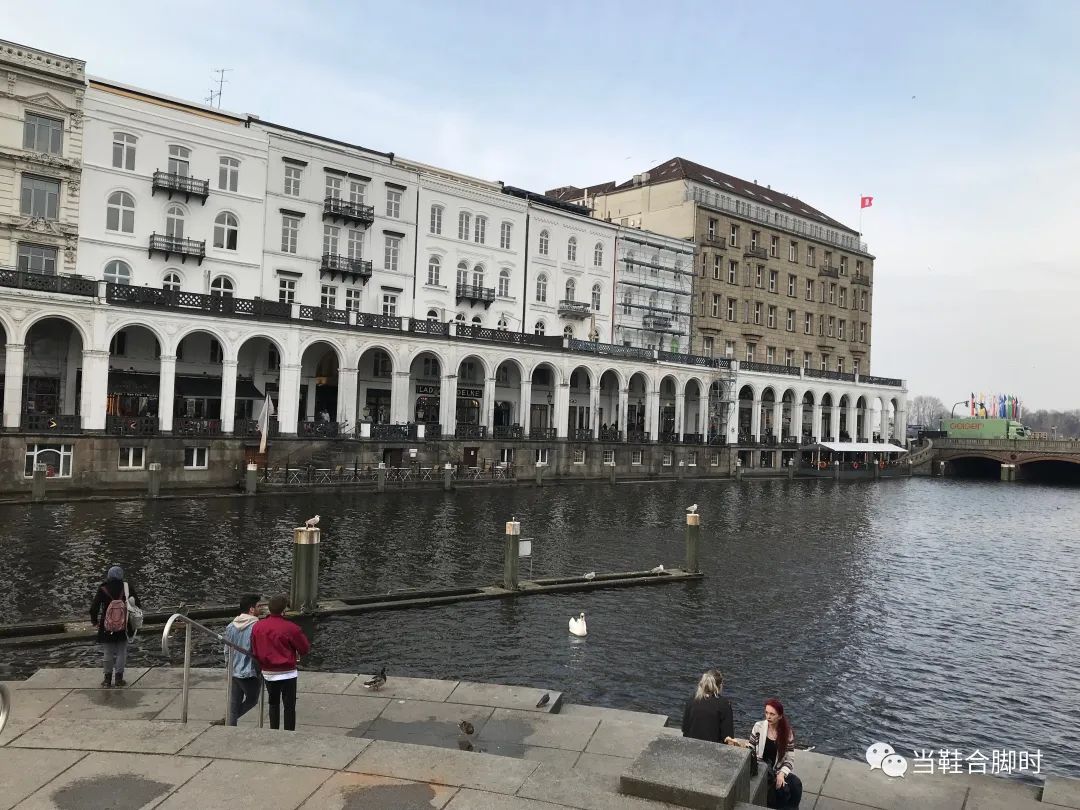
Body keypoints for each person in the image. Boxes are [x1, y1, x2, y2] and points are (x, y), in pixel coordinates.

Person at [726, 698, 803, 809]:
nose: (768, 716)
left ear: (780, 716)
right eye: (766, 713)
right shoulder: (758, 727)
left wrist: (781, 774)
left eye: (772, 714)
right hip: (762, 769)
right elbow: (750, 748)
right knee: (782, 792)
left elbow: (790, 759)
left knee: (796, 785)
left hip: (777, 770)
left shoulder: (787, 733)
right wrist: (738, 745)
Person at [250, 594, 310, 731]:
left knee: (273, 703)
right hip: (288, 672)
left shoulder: (258, 627)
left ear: (269, 609)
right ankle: (289, 733)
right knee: (289, 706)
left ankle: (274, 730)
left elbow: (254, 648)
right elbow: (304, 648)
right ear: (284, 610)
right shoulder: (291, 627)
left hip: (268, 671)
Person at [89, 565, 140, 688]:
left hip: (107, 626)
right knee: (122, 652)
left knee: (108, 652)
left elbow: (93, 608)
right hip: (124, 625)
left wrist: (95, 622)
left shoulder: (103, 588)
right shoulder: (127, 587)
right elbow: (137, 604)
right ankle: (119, 679)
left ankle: (107, 680)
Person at [223, 593, 262, 726]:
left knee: (233, 705)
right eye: (258, 606)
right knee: (252, 700)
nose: (260, 609)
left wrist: (228, 667)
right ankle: (227, 720)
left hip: (234, 670)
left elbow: (226, 650)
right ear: (251, 609)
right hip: (249, 672)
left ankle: (229, 723)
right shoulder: (257, 627)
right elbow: (258, 650)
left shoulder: (230, 626)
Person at [681, 669, 733, 744]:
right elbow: (728, 737)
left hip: (690, 746)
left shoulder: (692, 700)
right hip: (713, 750)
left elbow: (685, 729)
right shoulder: (724, 704)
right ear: (720, 685)